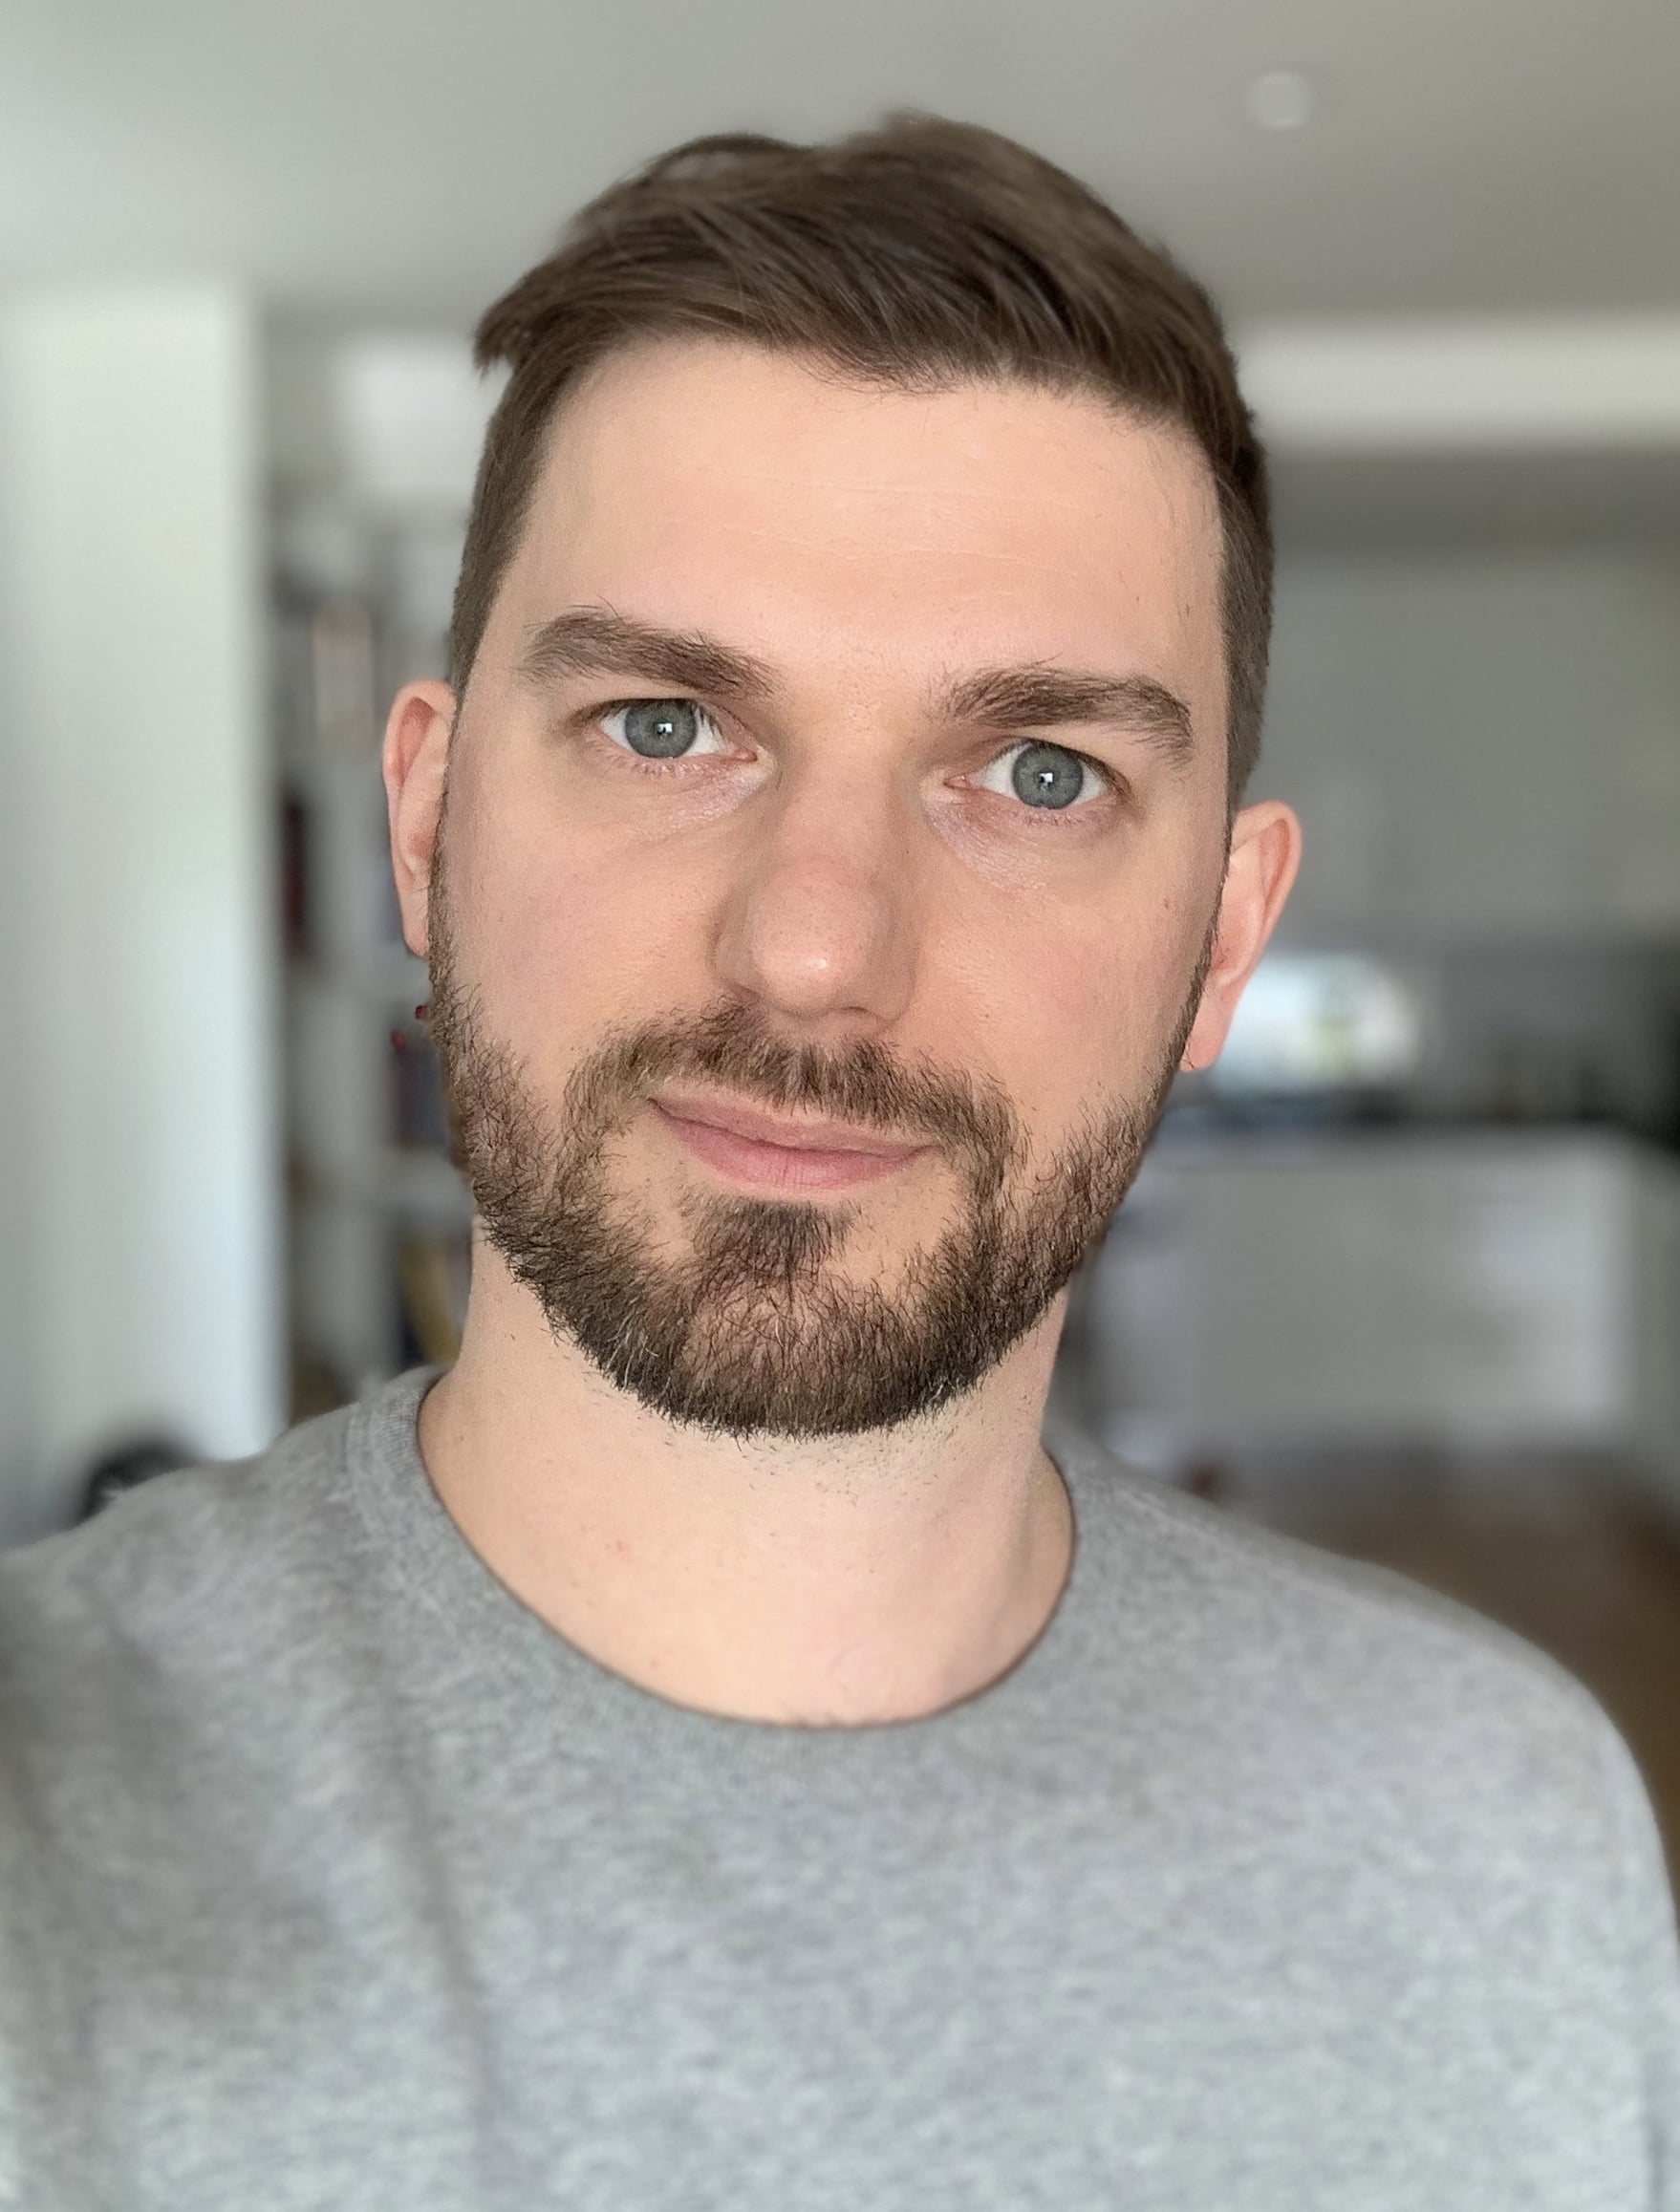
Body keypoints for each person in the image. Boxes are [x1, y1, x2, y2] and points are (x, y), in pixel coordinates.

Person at [1, 118, 1675, 2212]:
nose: (814, 947)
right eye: (664, 725)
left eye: (1039, 772)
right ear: (426, 826)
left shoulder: (1501, 1835)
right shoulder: (48, 1831)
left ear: (1224, 942)